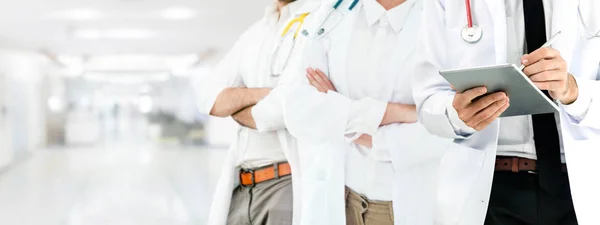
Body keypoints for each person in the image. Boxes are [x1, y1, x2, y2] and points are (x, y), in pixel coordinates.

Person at [412, 0, 600, 224]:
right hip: (490, 191)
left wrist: (574, 91)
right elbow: (427, 100)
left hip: (581, 187)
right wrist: (457, 114)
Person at [280, 0, 448, 224]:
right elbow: (297, 110)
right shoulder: (330, 15)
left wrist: (342, 115)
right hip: (341, 200)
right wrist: (397, 112)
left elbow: (450, 124)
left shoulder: (445, 19)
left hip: (407, 204)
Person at [193, 0, 320, 224]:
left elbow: (293, 105)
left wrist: (236, 105)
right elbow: (207, 97)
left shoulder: (321, 22)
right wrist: (260, 94)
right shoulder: (256, 32)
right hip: (242, 187)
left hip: (284, 186)